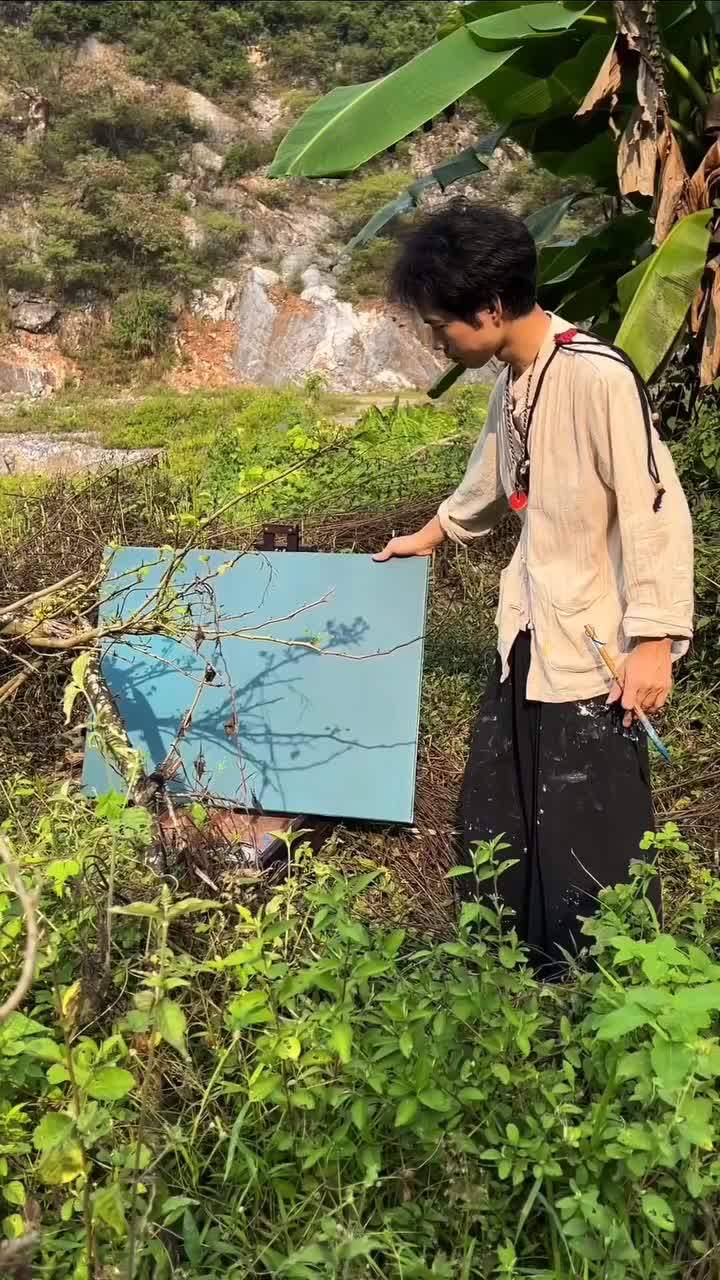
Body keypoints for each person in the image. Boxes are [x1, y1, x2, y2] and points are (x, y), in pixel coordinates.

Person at [374, 198, 694, 970]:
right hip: (528, 632)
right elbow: (490, 475)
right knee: (508, 812)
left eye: (440, 324)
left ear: (489, 306)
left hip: (594, 649)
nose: (437, 339)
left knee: (591, 824)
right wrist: (432, 534)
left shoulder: (595, 376)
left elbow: (656, 508)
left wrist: (653, 642)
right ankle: (524, 976)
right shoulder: (514, 378)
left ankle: (604, 984)